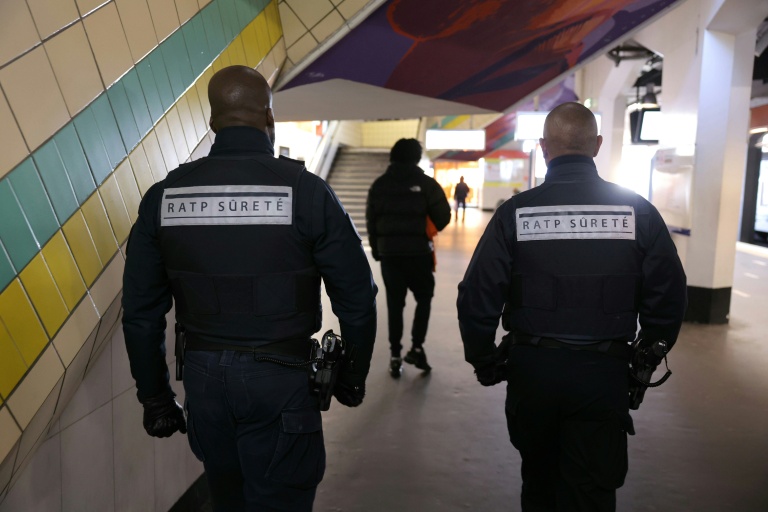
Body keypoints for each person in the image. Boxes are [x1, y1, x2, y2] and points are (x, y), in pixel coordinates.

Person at [122, 65, 377, 512]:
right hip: (280, 377)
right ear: (269, 117)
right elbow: (356, 298)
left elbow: (141, 313)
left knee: (227, 500)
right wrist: (351, 376)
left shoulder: (164, 197)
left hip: (203, 381)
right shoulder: (307, 192)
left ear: (211, 122)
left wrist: (156, 397)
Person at [456, 102, 687, 512]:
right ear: (597, 145)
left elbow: (477, 296)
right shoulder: (638, 212)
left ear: (543, 148)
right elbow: (668, 294)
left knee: (539, 481)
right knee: (593, 488)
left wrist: (485, 359)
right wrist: (647, 355)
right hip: (603, 375)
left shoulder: (515, 213)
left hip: (533, 373)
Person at [366, 138, 451, 378]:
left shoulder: (379, 185)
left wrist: (377, 249)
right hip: (418, 254)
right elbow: (443, 216)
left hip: (390, 256)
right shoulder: (426, 184)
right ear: (416, 158)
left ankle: (395, 355)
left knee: (395, 303)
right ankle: (416, 346)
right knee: (424, 297)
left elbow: (371, 220)